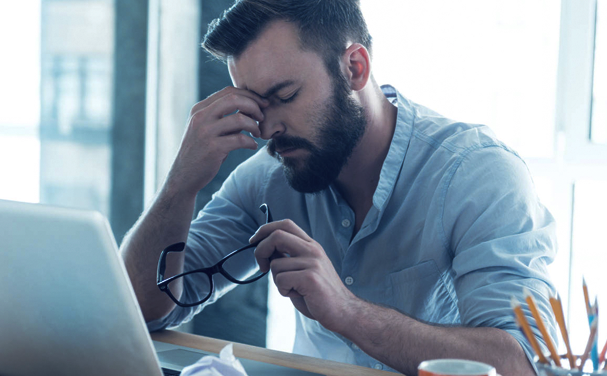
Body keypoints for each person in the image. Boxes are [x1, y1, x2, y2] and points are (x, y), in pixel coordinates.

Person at [120, 1, 557, 375]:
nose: (267, 128)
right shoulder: (269, 175)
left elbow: (522, 364)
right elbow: (142, 309)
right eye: (254, 104)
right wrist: (181, 183)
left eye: (285, 95)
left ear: (355, 68)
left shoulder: (479, 176)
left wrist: (348, 312)